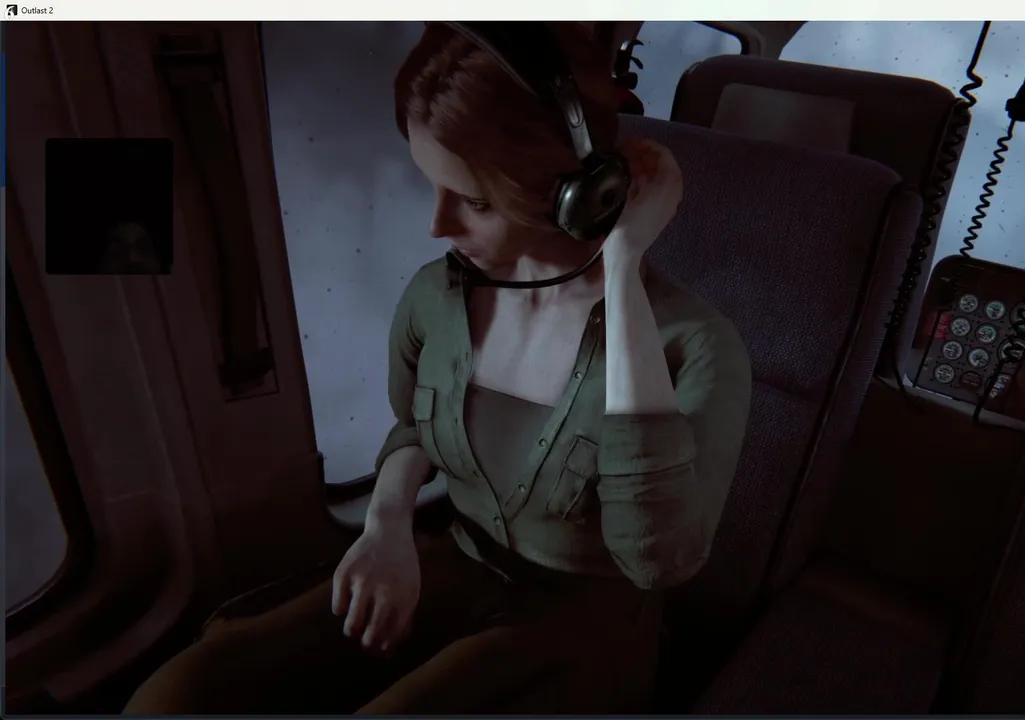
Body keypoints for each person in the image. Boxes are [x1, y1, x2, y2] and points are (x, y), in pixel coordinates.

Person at [123, 21, 752, 715]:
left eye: (474, 202)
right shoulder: (438, 296)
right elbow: (413, 429)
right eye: (433, 186)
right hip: (456, 562)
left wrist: (623, 265)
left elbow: (656, 559)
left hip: (583, 630)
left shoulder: (697, 345)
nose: (438, 226)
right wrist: (386, 523)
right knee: (179, 694)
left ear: (581, 194)